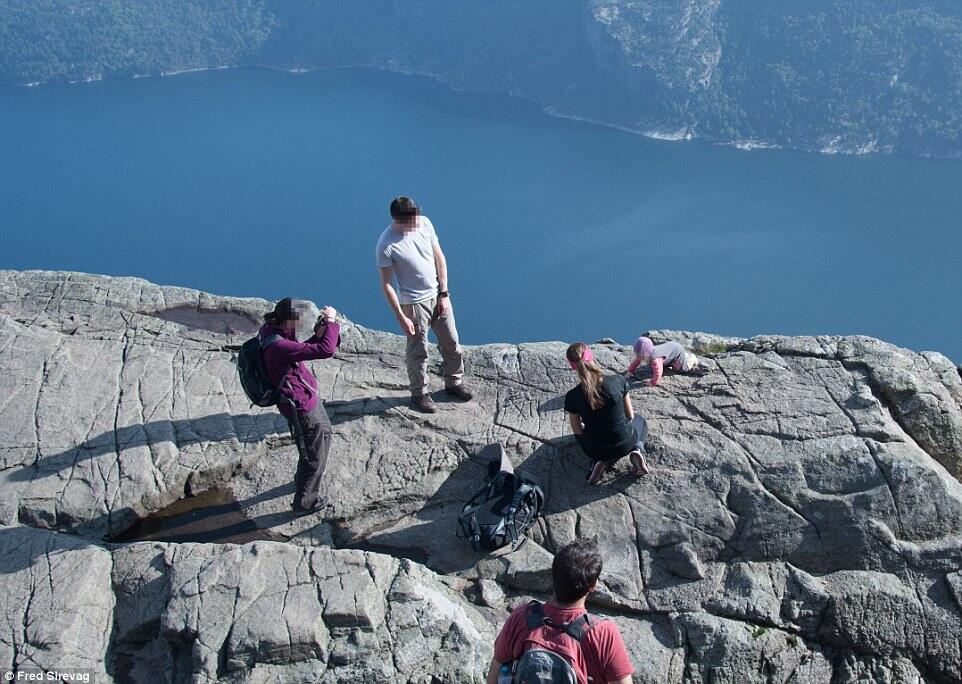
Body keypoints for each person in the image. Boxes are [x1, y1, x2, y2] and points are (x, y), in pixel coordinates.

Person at [485, 538, 634, 684]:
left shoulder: (521, 618)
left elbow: (493, 678)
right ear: (592, 586)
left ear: (553, 576)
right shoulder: (603, 633)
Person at [376, 196, 473, 413]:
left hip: (437, 295)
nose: (417, 219)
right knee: (418, 351)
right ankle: (419, 394)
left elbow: (439, 257)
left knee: (451, 341)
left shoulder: (425, 223)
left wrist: (444, 293)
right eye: (412, 217)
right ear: (398, 220)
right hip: (413, 304)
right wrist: (401, 316)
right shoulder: (386, 244)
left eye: (417, 214)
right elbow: (387, 285)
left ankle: (454, 382)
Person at [259, 298, 340, 514]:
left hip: (306, 397)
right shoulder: (279, 346)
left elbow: (303, 349)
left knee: (323, 436)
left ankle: (304, 478)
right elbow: (325, 350)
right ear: (287, 321)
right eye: (297, 321)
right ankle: (305, 502)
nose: (300, 325)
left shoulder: (272, 330)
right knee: (313, 456)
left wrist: (318, 334)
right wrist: (331, 323)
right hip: (301, 406)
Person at [565, 343, 649, 483]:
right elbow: (630, 416)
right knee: (640, 421)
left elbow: (577, 431)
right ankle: (638, 450)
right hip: (625, 443)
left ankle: (598, 462)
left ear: (573, 366)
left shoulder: (572, 396)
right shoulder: (618, 380)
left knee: (591, 435)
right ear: (591, 356)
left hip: (595, 450)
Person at [625, 336, 699, 387]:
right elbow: (637, 361)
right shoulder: (644, 354)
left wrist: (653, 382)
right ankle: (684, 356)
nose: (638, 357)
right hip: (671, 349)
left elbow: (658, 373)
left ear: (646, 354)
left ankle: (691, 358)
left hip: (677, 353)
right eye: (637, 354)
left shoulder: (655, 360)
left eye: (640, 355)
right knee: (666, 364)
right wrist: (630, 371)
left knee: (682, 369)